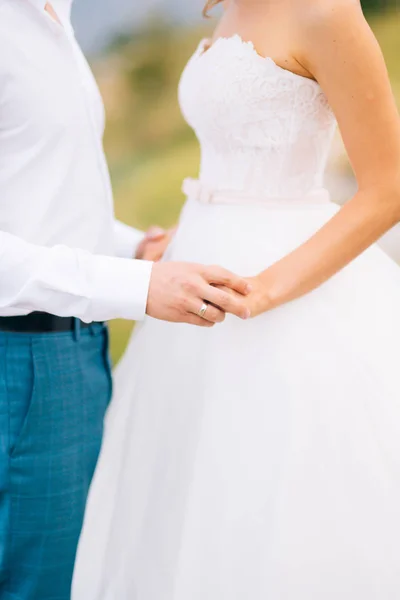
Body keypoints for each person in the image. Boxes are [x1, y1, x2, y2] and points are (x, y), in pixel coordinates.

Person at [73, 0, 400, 598]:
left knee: (270, 493)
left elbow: (388, 189)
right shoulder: (231, 7)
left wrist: (269, 286)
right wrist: (191, 230)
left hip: (284, 288)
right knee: (181, 493)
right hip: (193, 278)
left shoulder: (327, 13)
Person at [0, 1, 251, 599]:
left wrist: (134, 247)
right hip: (21, 355)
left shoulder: (52, 14)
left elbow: (34, 192)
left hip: (71, 352)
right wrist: (135, 288)